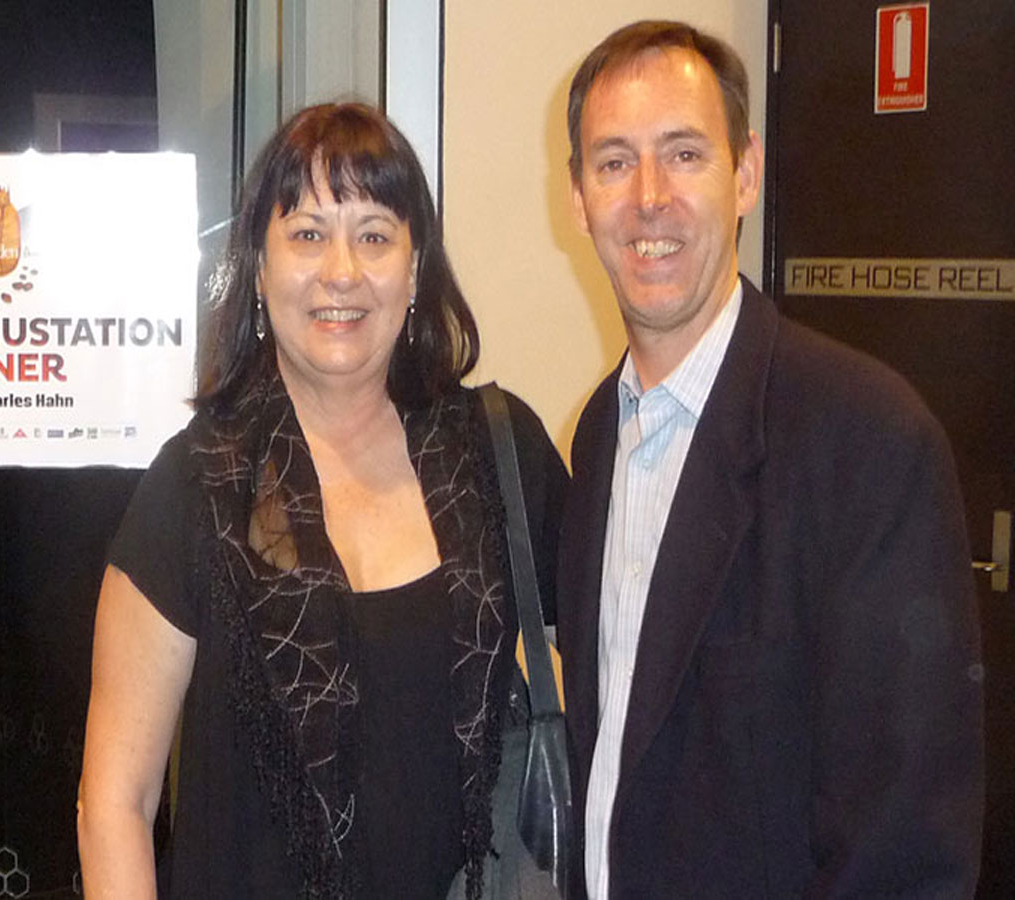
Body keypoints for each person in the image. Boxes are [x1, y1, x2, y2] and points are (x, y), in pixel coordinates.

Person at [76, 102, 568, 899]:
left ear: (415, 270)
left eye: (374, 235)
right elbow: (113, 806)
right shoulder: (194, 486)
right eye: (307, 234)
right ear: (260, 268)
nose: (342, 270)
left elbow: (626, 684)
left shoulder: (500, 455)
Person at [555, 20, 984, 899]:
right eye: (613, 162)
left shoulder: (869, 443)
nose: (647, 198)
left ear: (744, 172)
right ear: (578, 199)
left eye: (683, 154)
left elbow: (904, 853)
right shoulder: (598, 432)